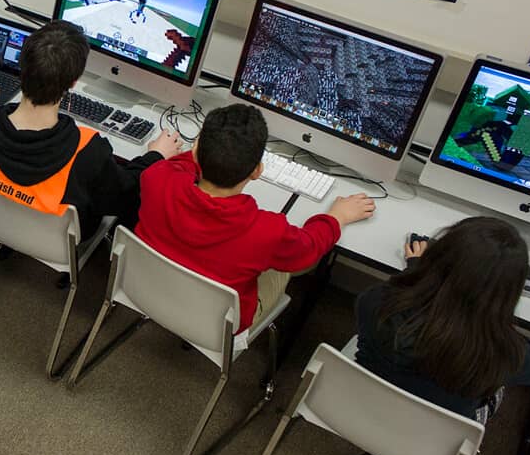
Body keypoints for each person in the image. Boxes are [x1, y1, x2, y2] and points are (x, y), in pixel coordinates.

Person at [135, 103, 376, 332]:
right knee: (289, 265)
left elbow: (177, 167)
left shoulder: (156, 176)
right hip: (217, 325)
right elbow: (310, 248)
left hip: (146, 289)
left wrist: (203, 151)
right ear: (257, 171)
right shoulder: (268, 231)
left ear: (196, 151)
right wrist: (336, 217)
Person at [356, 217, 530, 421]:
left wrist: (416, 268)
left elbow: (412, 300)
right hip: (435, 437)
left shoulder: (374, 300)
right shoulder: (498, 355)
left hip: (359, 404)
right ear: (506, 293)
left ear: (437, 258)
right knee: (497, 388)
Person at [0, 20, 182, 237]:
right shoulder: (88, 150)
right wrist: (155, 156)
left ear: (21, 68)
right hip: (56, 239)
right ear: (73, 81)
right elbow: (124, 194)